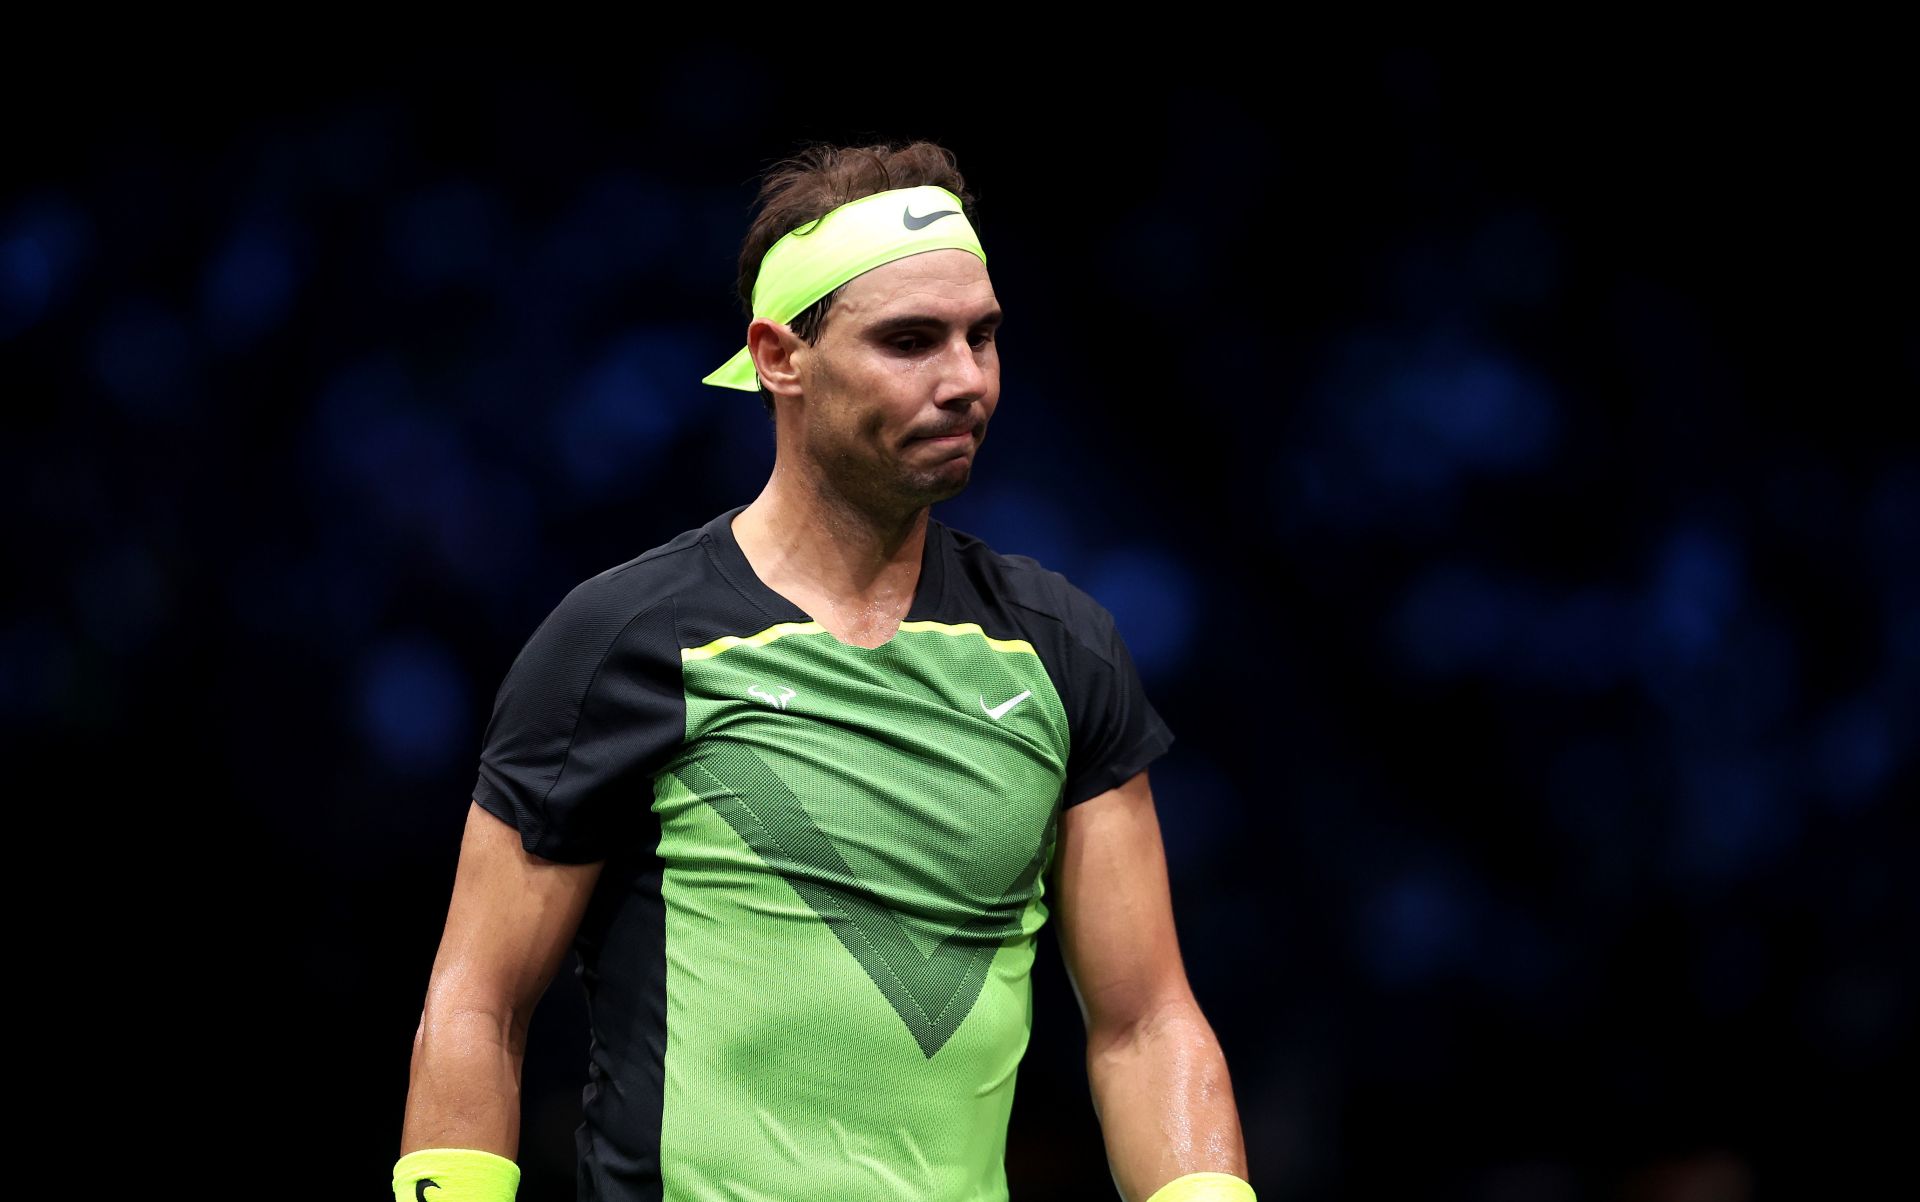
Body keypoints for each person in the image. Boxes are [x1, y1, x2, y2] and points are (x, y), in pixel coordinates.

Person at [394, 139, 1253, 1202]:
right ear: (778, 356)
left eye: (983, 337)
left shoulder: (1061, 650)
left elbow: (1144, 1022)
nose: (966, 380)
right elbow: (478, 1002)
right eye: (910, 341)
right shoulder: (621, 641)